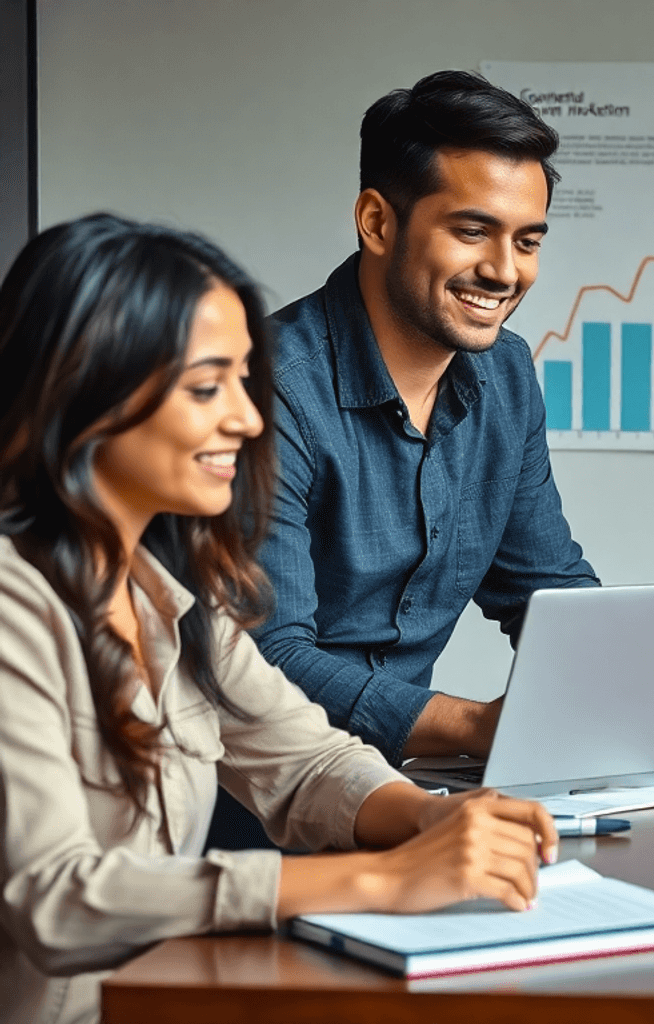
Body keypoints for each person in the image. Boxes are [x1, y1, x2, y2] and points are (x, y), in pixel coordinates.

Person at [0, 215, 559, 1024]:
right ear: (83, 394)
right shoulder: (16, 607)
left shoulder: (173, 598)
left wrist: (436, 818)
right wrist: (382, 879)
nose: (248, 419)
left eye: (243, 382)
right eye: (205, 388)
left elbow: (303, 760)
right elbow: (54, 901)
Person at [255, 70, 597, 767]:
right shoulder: (263, 390)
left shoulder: (505, 375)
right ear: (378, 222)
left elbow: (547, 594)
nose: (505, 272)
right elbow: (267, 659)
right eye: (474, 231)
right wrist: (478, 727)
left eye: (528, 242)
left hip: (401, 785)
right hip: (255, 804)